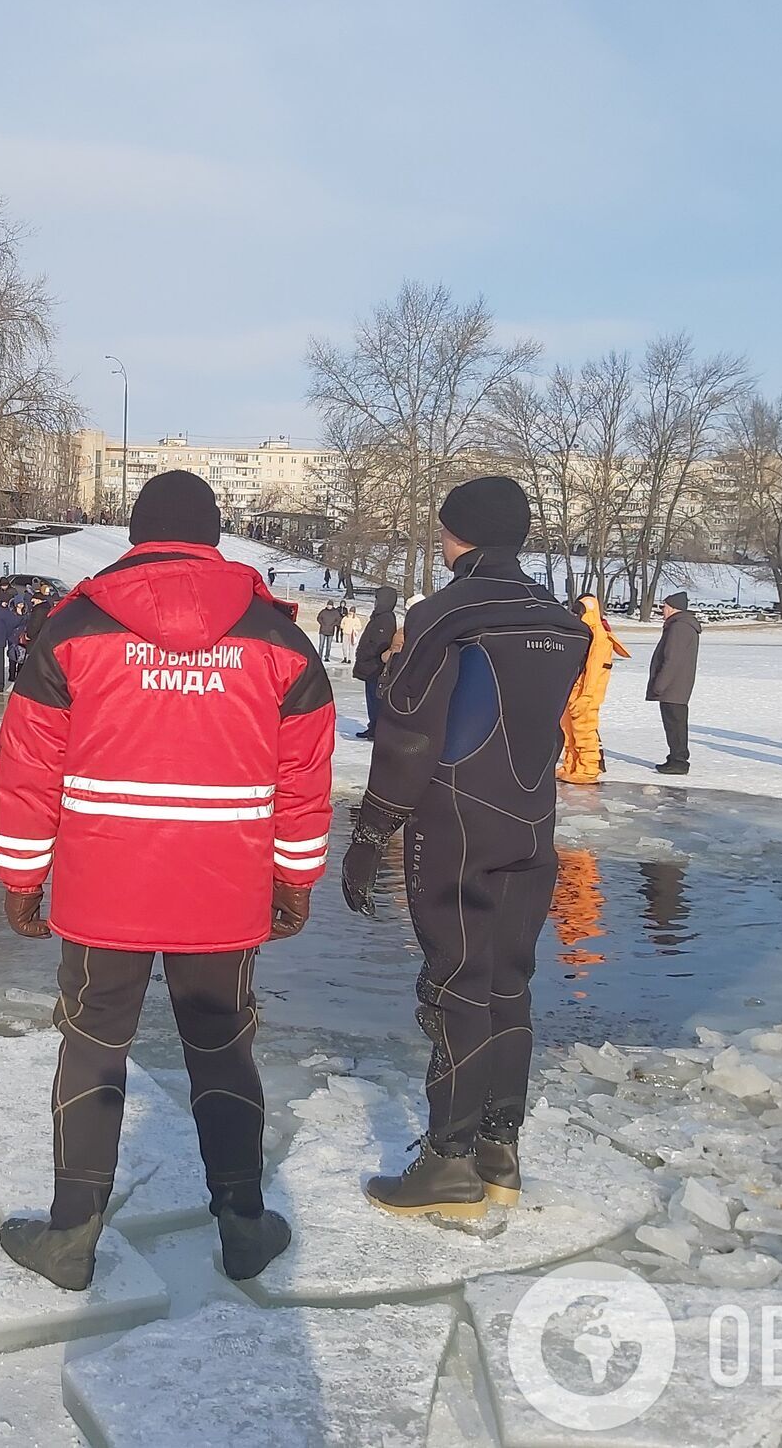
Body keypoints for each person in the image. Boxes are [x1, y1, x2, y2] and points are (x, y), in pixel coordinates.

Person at [0, 470, 334, 1289]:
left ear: (137, 536)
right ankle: (243, 1225)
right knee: (222, 1050)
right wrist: (297, 879)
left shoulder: (71, 629)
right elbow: (305, 778)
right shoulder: (281, 641)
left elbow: (30, 766)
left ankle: (72, 1236)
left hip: (102, 885)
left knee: (92, 1046)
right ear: (213, 536)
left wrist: (20, 875)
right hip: (224, 886)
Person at [339, 476, 589, 1221]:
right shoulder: (561, 621)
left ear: (459, 534)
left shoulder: (445, 614)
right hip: (530, 824)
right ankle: (497, 1150)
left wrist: (369, 833)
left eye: (443, 528)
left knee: (454, 985)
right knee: (509, 981)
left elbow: (411, 736)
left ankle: (447, 1162)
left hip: (454, 824)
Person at [557, 593, 630, 785]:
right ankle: (571, 765)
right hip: (574, 687)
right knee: (569, 729)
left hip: (586, 690)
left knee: (584, 728)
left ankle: (588, 769)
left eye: (577, 612)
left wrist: (586, 696)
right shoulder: (584, 633)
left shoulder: (598, 637)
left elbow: (595, 670)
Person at [646, 592, 702, 775]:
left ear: (672, 607)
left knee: (675, 724)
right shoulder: (682, 625)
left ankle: (679, 761)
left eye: (664, 606)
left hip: (674, 686)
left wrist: (660, 684)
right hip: (677, 684)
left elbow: (672, 659)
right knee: (674, 723)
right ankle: (675, 757)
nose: (662, 610)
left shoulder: (679, 627)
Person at [350, 587, 401, 741]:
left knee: (375, 699)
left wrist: (365, 654)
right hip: (371, 665)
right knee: (372, 699)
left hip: (375, 666)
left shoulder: (385, 618)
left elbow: (380, 642)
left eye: (378, 599)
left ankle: (376, 729)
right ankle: (373, 726)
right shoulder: (379, 617)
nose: (375, 602)